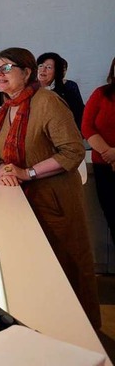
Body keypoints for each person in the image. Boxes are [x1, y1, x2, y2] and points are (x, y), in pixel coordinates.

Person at [0, 47, 100, 329]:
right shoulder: (7, 107)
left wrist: (28, 172)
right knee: (38, 275)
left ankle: (77, 334)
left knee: (66, 269)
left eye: (6, 68)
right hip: (25, 204)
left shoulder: (47, 101)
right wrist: (3, 169)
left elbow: (73, 151)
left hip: (55, 201)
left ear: (26, 72)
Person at [81, 56, 115, 246]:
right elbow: (87, 127)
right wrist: (109, 155)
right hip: (104, 167)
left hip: (108, 160)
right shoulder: (101, 94)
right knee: (112, 217)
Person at [36, 52, 84, 131]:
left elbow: (78, 113)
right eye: (40, 66)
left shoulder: (68, 88)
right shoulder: (30, 88)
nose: (43, 70)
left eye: (49, 67)